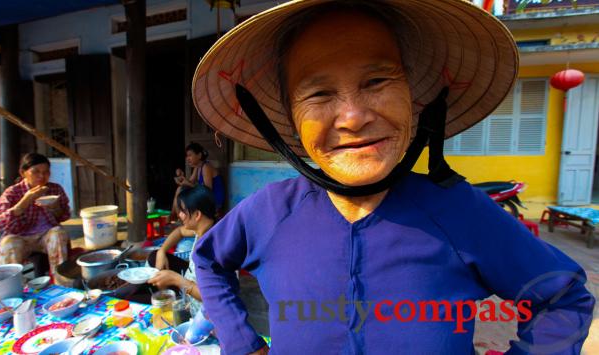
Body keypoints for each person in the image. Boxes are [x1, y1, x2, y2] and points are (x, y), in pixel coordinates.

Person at [190, 1, 595, 355]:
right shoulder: (270, 210)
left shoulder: (457, 211)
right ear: (291, 123)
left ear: (415, 101)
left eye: (377, 82)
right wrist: (242, 342)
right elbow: (207, 258)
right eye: (319, 94)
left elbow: (564, 298)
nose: (353, 117)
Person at [0, 153, 70, 275]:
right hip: (20, 237)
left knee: (58, 233)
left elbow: (64, 215)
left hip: (45, 236)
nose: (42, 176)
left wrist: (55, 208)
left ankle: (60, 281)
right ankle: (12, 287)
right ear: (23, 173)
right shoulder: (12, 193)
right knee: (8, 243)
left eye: (46, 172)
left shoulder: (55, 189)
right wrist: (25, 201)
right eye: (36, 172)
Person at [148, 185, 217, 316]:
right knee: (154, 256)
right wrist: (162, 251)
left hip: (203, 313)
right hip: (188, 286)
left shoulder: (214, 247)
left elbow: (214, 297)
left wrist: (176, 280)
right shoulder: (202, 228)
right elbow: (179, 231)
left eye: (183, 211)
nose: (179, 215)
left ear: (197, 215)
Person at [172, 142, 225, 219]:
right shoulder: (198, 167)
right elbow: (190, 182)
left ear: (199, 155)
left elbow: (207, 190)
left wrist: (187, 184)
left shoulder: (206, 167)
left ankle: (176, 217)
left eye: (190, 155)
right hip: (205, 199)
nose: (187, 158)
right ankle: (176, 216)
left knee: (182, 191)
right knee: (180, 189)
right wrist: (181, 177)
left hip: (213, 201)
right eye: (187, 156)